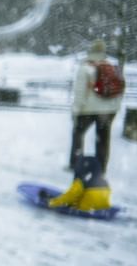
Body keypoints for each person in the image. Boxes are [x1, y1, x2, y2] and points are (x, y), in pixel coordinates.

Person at [68, 39, 124, 174]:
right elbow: (119, 90)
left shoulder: (86, 67)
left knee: (78, 134)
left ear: (91, 51)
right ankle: (101, 167)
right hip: (108, 111)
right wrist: (114, 108)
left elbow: (80, 92)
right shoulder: (111, 67)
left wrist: (75, 111)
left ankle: (75, 164)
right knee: (103, 139)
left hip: (88, 110)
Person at [43, 154, 112, 211]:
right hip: (103, 207)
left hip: (86, 209)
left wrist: (51, 203)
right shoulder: (105, 183)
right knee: (83, 196)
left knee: (72, 199)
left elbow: (69, 197)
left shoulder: (80, 181)